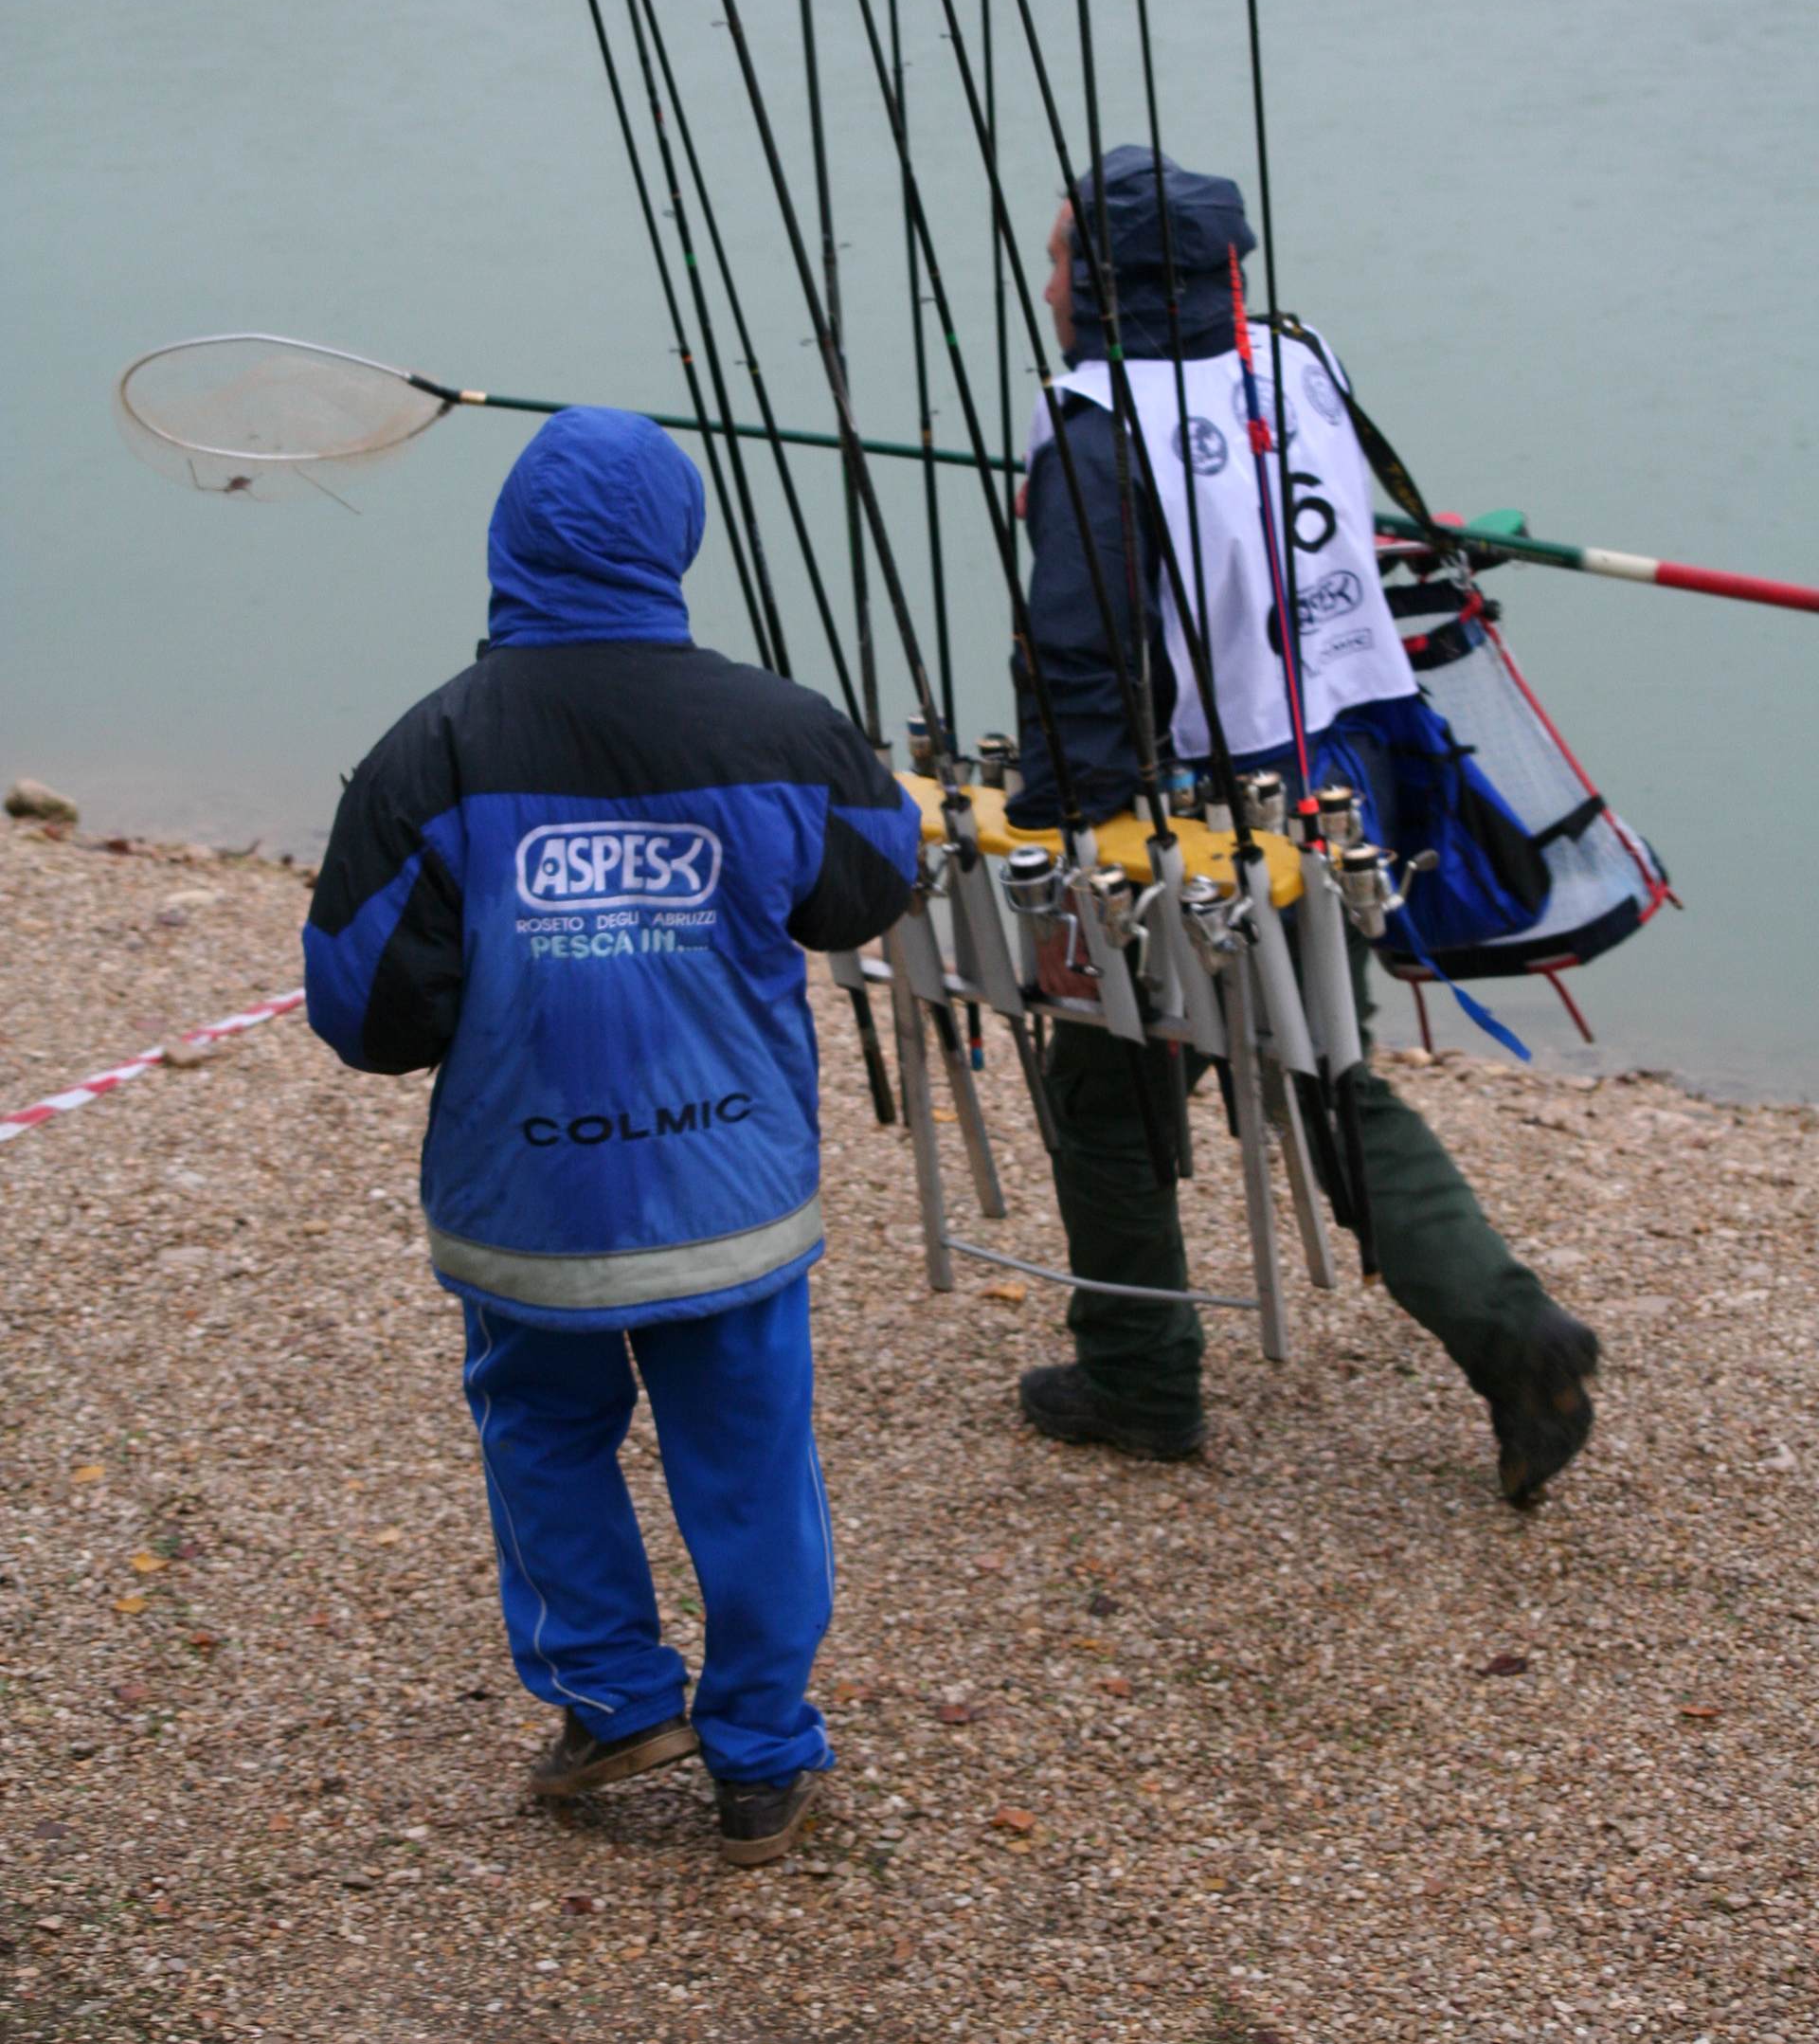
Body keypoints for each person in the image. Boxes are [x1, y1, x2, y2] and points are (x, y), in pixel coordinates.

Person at [304, 407, 920, 1864]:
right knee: (753, 1460)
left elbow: (365, 1008)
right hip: (731, 1195)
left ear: (510, 546)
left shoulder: (432, 749)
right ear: (676, 545)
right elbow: (873, 881)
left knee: (543, 1431)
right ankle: (762, 1759)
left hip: (535, 1205)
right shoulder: (784, 726)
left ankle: (613, 1697)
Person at [1006, 147, 1600, 1506]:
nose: (1045, 287)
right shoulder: (1295, 351)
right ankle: (1519, 1338)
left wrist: (1068, 841)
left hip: (1221, 801)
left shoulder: (1093, 422)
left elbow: (1082, 664)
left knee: (1108, 1076)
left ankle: (1141, 1382)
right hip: (1361, 770)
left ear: (1106, 283)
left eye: (1060, 262)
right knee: (1323, 1059)